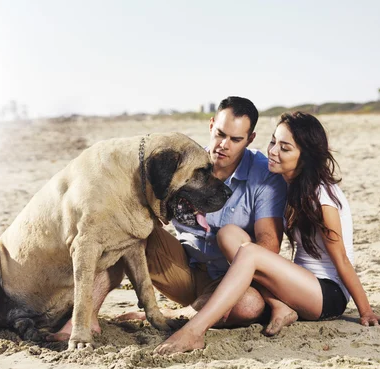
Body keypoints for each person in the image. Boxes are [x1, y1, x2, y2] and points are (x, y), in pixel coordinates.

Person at [154, 112, 380, 355]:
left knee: (251, 254)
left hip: (326, 293)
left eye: (285, 148)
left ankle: (194, 331)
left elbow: (341, 259)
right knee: (229, 234)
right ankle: (278, 305)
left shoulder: (321, 197)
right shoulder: (289, 186)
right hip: (295, 287)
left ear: (305, 157)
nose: (273, 151)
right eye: (273, 142)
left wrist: (366, 311)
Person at [113, 96, 288, 327]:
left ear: (250, 139)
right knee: (123, 229)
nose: (224, 145)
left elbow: (269, 246)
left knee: (250, 306)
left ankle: (178, 314)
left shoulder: (265, 176)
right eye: (220, 134)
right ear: (211, 124)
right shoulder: (185, 166)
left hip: (232, 281)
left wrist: (236, 279)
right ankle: (82, 320)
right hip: (182, 270)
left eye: (235, 139)